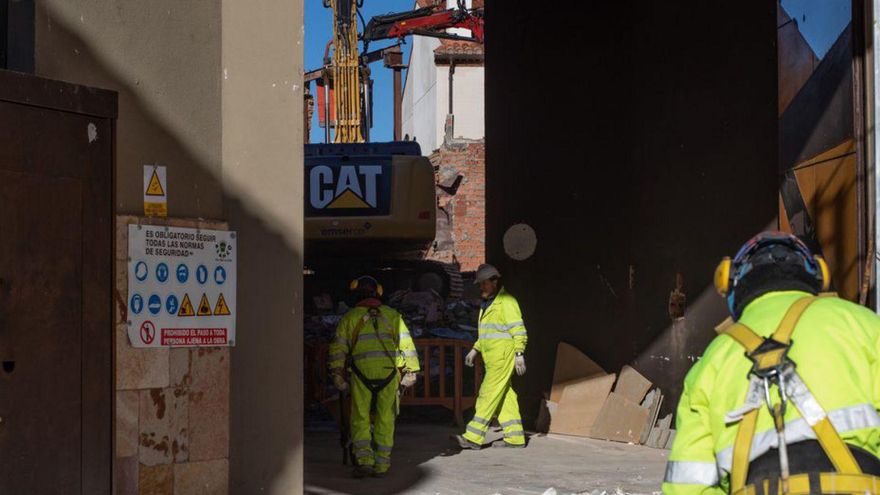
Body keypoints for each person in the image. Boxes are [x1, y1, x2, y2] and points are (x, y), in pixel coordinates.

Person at [663, 232, 880, 495]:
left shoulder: (712, 362)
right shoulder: (862, 326)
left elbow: (686, 487)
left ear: (730, 284)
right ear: (817, 275)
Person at [328, 275, 420, 478]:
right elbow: (406, 345)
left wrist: (337, 374)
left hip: (361, 375)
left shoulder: (350, 318)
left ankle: (364, 462)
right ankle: (382, 465)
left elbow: (338, 349)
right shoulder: (392, 315)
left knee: (360, 417)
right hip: (389, 375)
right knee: (386, 419)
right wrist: (411, 370)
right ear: (378, 292)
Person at [454, 263, 528, 449]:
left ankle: (473, 437)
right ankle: (515, 437)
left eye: (484, 284)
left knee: (487, 394)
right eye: (480, 284)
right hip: (493, 357)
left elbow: (519, 330)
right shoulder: (488, 304)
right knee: (505, 395)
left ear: (495, 282)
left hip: (502, 357)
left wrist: (519, 353)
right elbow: (487, 333)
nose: (481, 287)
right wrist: (475, 349)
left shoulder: (507, 302)